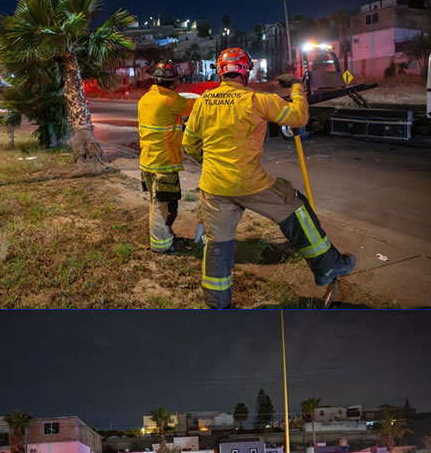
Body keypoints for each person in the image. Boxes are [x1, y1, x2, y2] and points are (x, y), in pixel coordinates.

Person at [182, 47, 355, 308]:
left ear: (220, 72)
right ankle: (328, 265)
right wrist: (296, 88)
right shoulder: (257, 100)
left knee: (217, 245)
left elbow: (189, 143)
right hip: (251, 183)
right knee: (294, 205)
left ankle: (217, 304)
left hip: (213, 186)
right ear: (245, 72)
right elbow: (299, 117)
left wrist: (210, 165)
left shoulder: (204, 102)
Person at [138, 61, 194, 253]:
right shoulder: (171, 100)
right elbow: (195, 107)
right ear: (174, 81)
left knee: (158, 202)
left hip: (148, 161)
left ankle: (165, 236)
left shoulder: (145, 99)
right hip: (164, 164)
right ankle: (161, 244)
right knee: (163, 206)